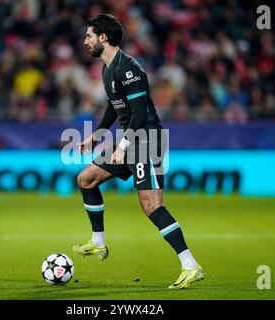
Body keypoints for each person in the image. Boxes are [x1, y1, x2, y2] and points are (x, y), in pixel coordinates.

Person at [73, 14, 204, 289]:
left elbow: (140, 112)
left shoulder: (129, 68)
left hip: (147, 140)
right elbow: (114, 105)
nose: (85, 41)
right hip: (131, 141)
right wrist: (96, 136)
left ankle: (190, 265)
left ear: (103, 38)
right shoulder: (107, 67)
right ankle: (98, 242)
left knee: (152, 206)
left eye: (89, 36)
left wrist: (121, 146)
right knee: (86, 179)